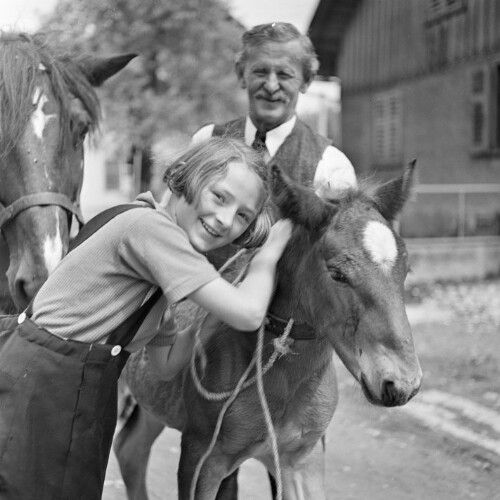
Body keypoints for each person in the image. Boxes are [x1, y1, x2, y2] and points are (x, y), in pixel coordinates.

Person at [0, 137, 292, 500]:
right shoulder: (151, 230)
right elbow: (249, 314)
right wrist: (269, 256)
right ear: (187, 178)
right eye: (219, 197)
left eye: (243, 215)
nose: (225, 220)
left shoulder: (155, 277)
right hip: (40, 387)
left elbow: (167, 364)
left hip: (75, 397)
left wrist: (214, 318)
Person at [192, 21, 357, 198]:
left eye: (284, 75)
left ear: (306, 81)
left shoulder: (331, 168)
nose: (271, 86)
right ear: (241, 75)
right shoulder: (208, 141)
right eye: (260, 72)